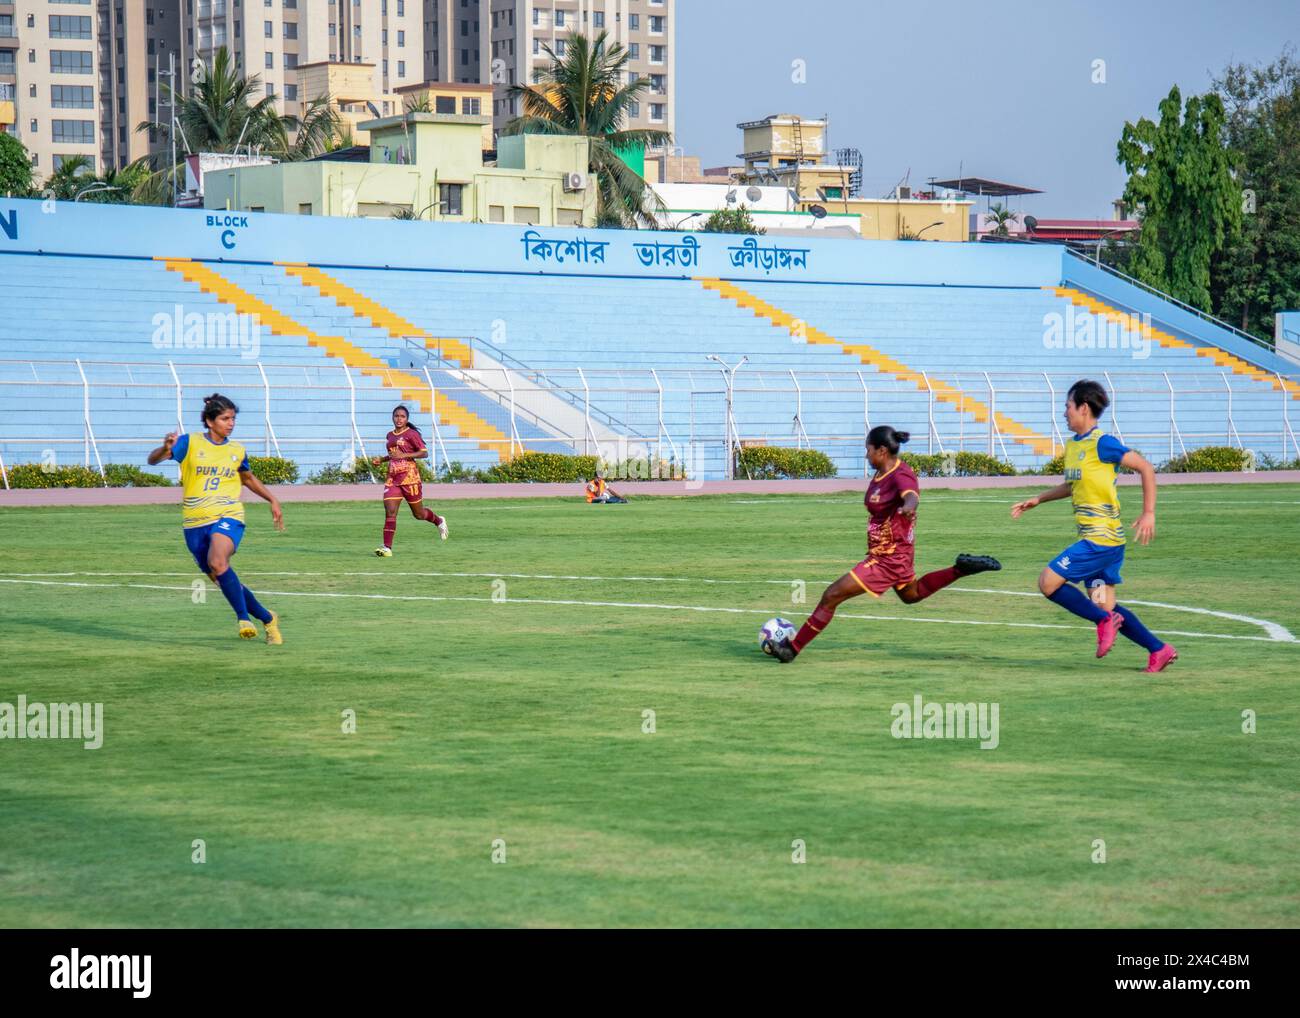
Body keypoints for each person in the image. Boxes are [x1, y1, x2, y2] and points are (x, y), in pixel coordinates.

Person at [770, 425, 1001, 662]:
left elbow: (911, 496)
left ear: (881, 450)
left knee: (831, 596)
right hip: (894, 553)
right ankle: (960, 569)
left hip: (887, 558)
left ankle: (793, 648)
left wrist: (909, 508)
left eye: (868, 450)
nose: (866, 454)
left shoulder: (900, 474)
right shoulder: (881, 473)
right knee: (911, 594)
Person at [1011, 379, 1177, 673]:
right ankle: (1159, 649)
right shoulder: (1074, 446)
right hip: (1105, 544)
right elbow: (1072, 485)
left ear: (1083, 408)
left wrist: (1149, 512)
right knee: (1105, 607)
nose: (1064, 413)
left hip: (1100, 541)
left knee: (1048, 582)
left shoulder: (1103, 443)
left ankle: (1103, 623)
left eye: (1067, 406)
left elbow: (1145, 467)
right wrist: (1039, 499)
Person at [147, 393, 284, 644]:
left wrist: (272, 499)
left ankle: (243, 619)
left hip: (228, 515)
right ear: (210, 422)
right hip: (195, 523)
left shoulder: (236, 450)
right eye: (225, 418)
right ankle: (268, 618)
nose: (230, 423)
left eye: (233, 418)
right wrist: (165, 449)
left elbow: (248, 478)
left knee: (218, 561)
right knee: (223, 577)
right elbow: (153, 460)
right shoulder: (190, 443)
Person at [374, 404, 448, 557]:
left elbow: (424, 453)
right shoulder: (390, 435)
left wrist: (404, 456)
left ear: (407, 419)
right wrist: (382, 459)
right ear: (392, 417)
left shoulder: (411, 434)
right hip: (393, 479)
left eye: (402, 416)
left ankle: (438, 520)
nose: (399, 419)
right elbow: (394, 454)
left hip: (410, 478)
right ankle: (387, 548)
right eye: (396, 416)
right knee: (390, 512)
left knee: (419, 514)